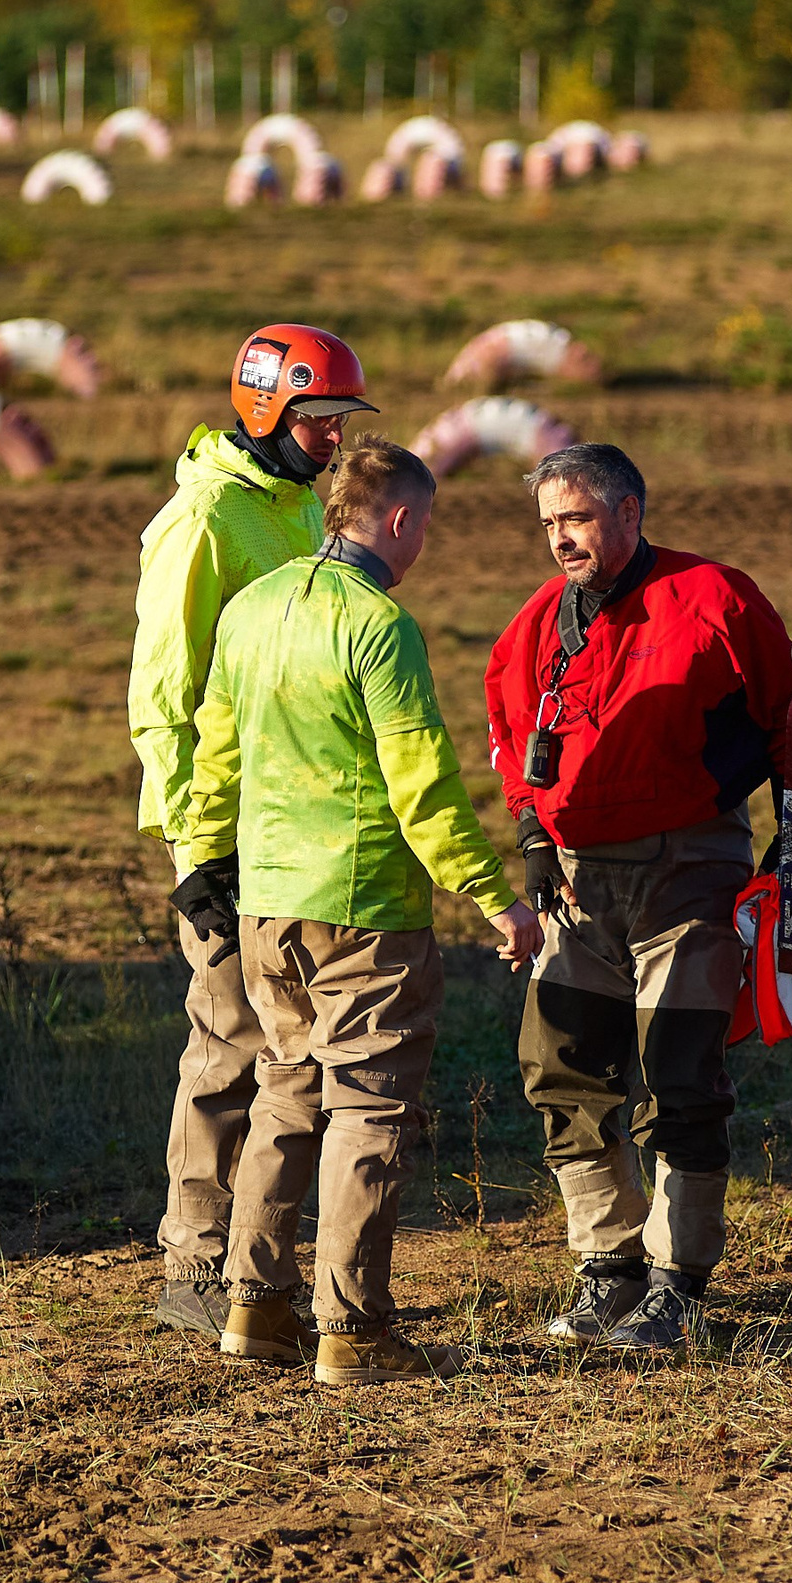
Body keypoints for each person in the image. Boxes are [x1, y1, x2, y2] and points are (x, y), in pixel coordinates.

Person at [185, 438, 542, 1386]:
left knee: (285, 1093)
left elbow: (211, 754)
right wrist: (492, 894)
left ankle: (253, 1307)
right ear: (398, 519)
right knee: (369, 1110)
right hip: (364, 909)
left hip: (263, 905)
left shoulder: (253, 610)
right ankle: (352, 1326)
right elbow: (420, 782)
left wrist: (201, 859)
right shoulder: (380, 627)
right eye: (424, 523)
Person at [482, 443, 792, 1354]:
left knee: (681, 1075)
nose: (560, 540)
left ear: (629, 511)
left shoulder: (717, 598)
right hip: (579, 878)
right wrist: (535, 838)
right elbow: (509, 735)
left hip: (688, 870)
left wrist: (788, 846)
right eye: (548, 523)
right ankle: (607, 1272)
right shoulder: (537, 622)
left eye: (576, 519)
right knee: (563, 1067)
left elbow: (788, 723)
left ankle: (678, 1284)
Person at [128, 326, 377, 1340]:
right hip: (226, 835)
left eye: (344, 423)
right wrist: (196, 858)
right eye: (319, 422)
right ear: (267, 411)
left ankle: (255, 1263)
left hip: (297, 827)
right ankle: (192, 1259)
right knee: (228, 1039)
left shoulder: (295, 509)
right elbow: (163, 696)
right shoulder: (203, 521)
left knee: (289, 1051)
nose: (333, 441)